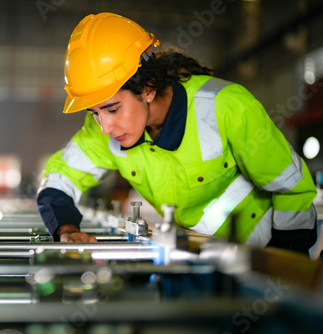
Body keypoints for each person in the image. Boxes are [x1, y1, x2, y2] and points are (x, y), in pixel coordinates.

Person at [36, 12, 320, 257]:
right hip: (196, 256)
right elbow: (59, 179)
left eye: (112, 109)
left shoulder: (226, 108)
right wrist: (67, 228)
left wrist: (285, 262)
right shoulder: (105, 133)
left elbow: (290, 186)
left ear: (147, 87)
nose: (105, 127)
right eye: (94, 113)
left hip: (262, 253)